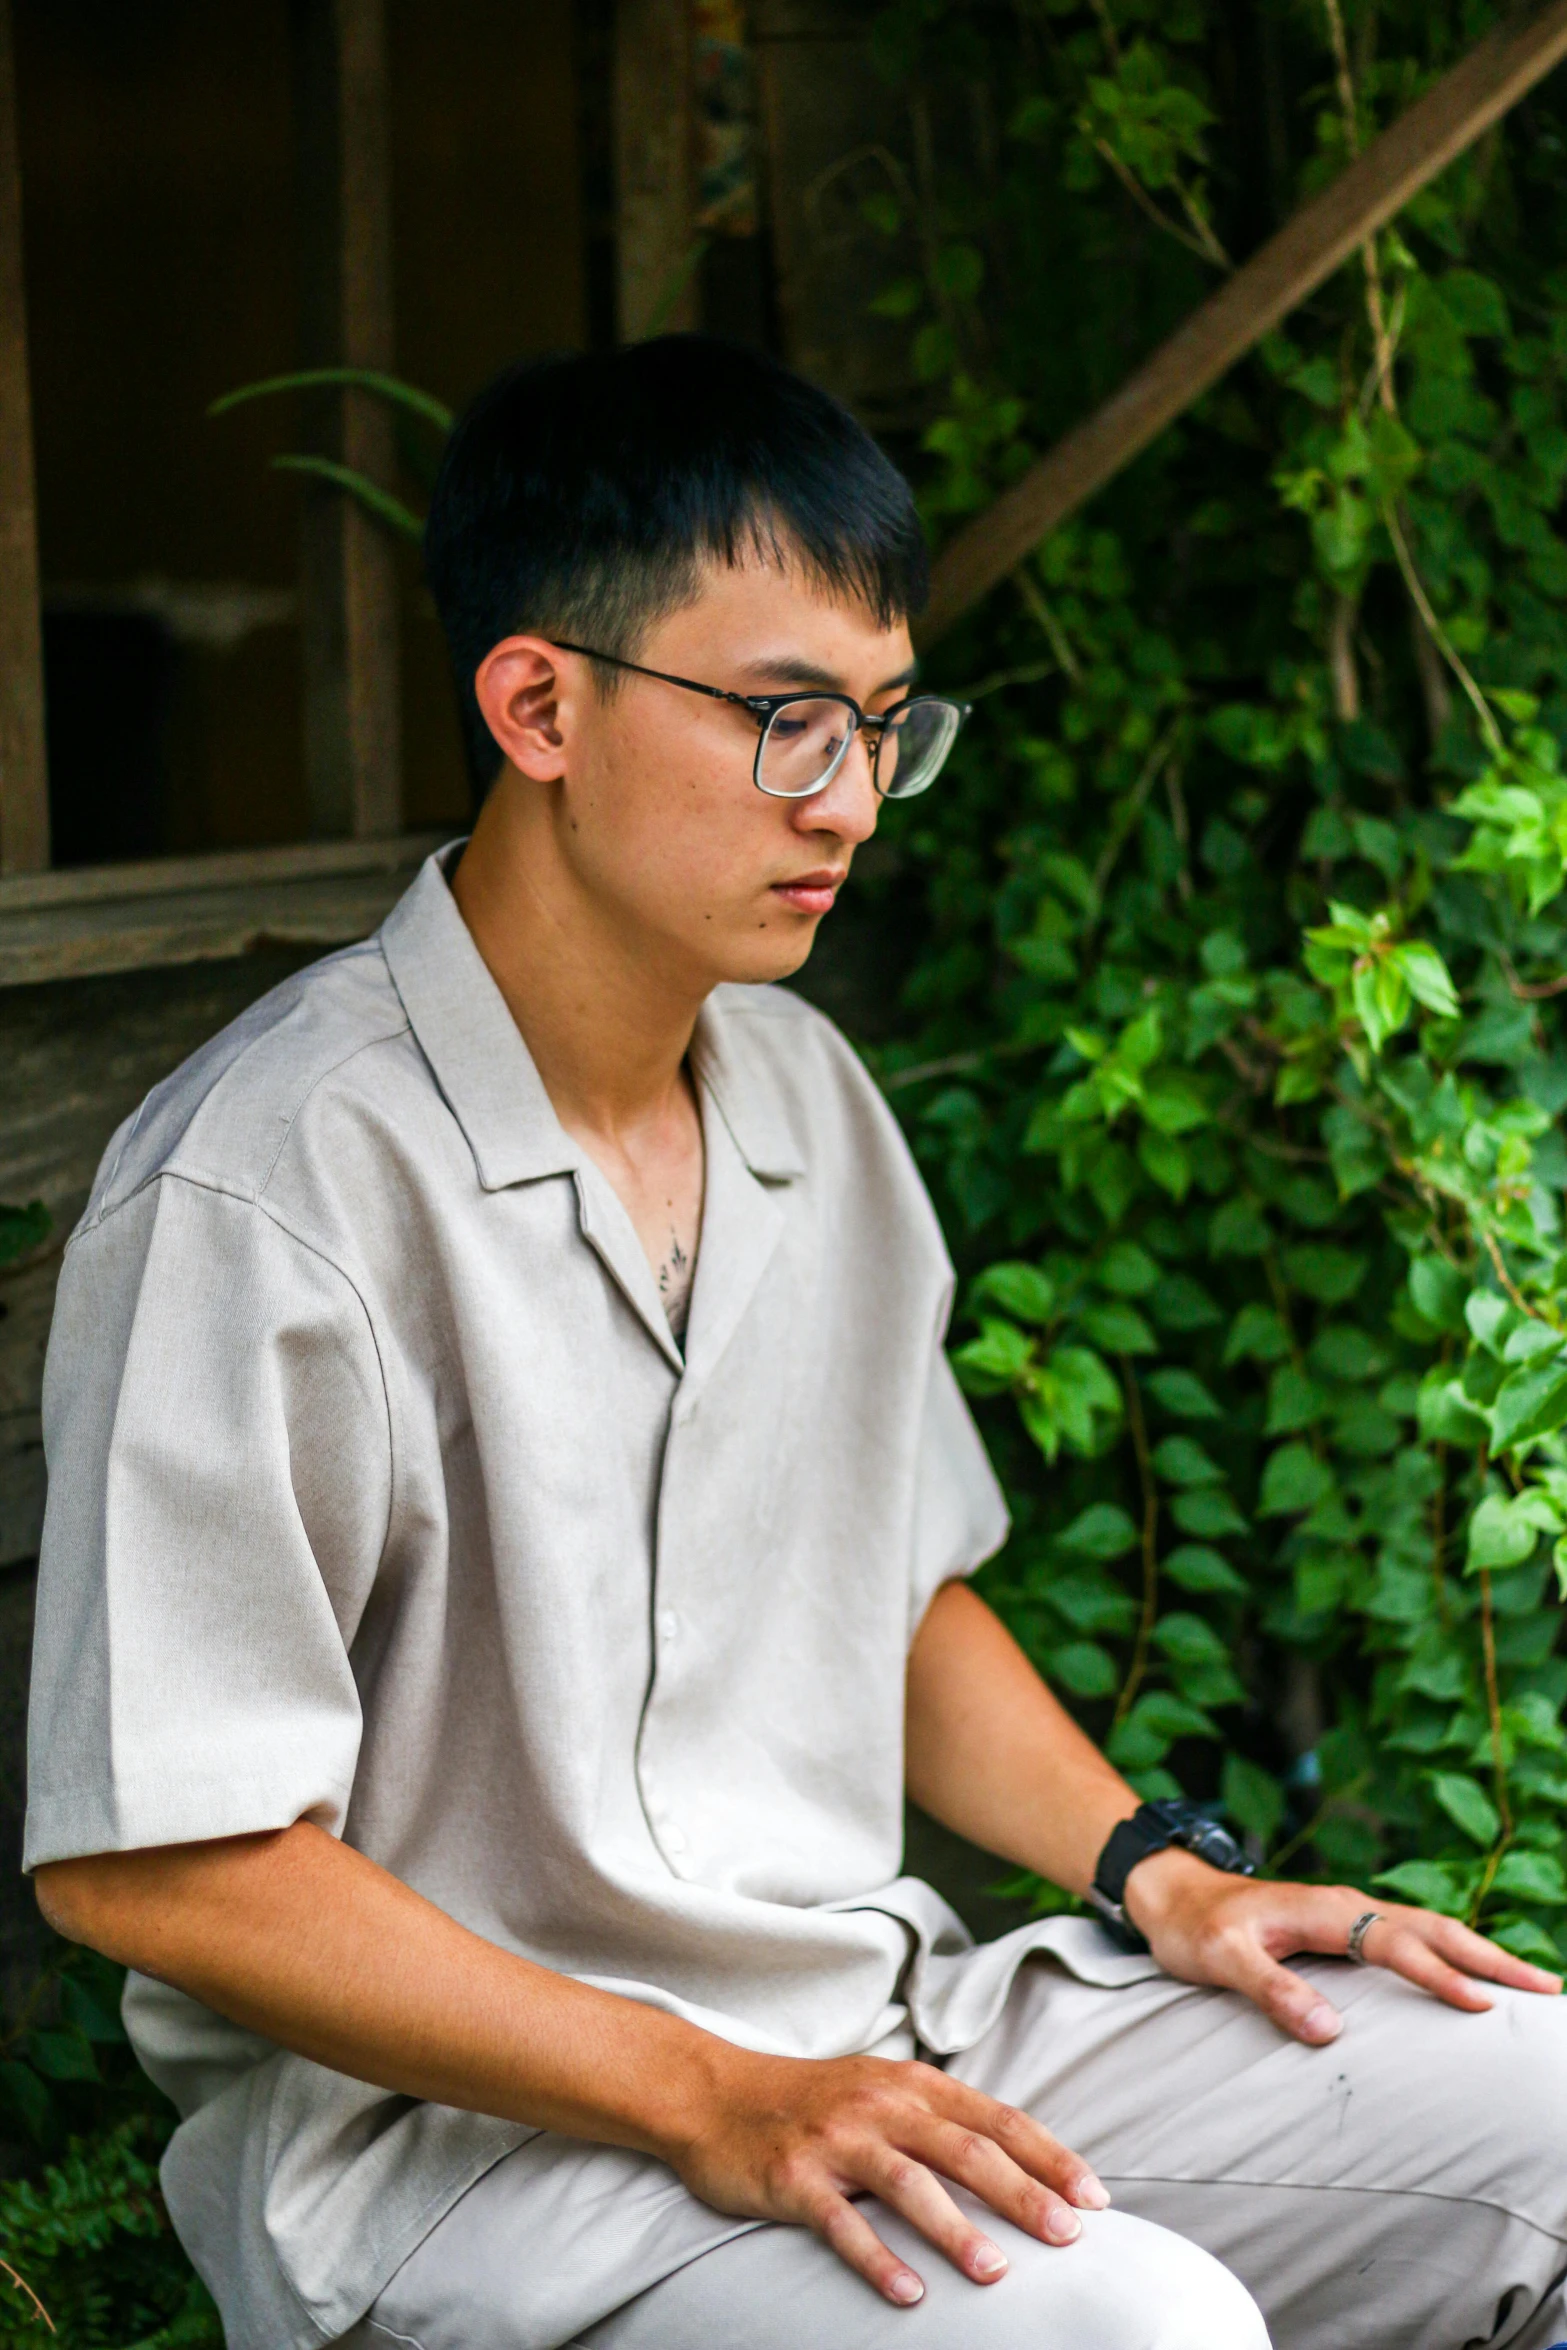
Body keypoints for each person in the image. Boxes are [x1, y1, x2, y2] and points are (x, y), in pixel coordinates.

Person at [24, 336, 1567, 2350]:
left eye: (882, 726)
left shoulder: (808, 1097)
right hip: (473, 2155)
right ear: (538, 702)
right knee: (1127, 2326)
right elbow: (162, 1861)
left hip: (878, 2021)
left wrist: (1162, 1868)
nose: (846, 798)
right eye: (781, 719)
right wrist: (709, 2090)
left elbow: (888, 1591)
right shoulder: (268, 1187)